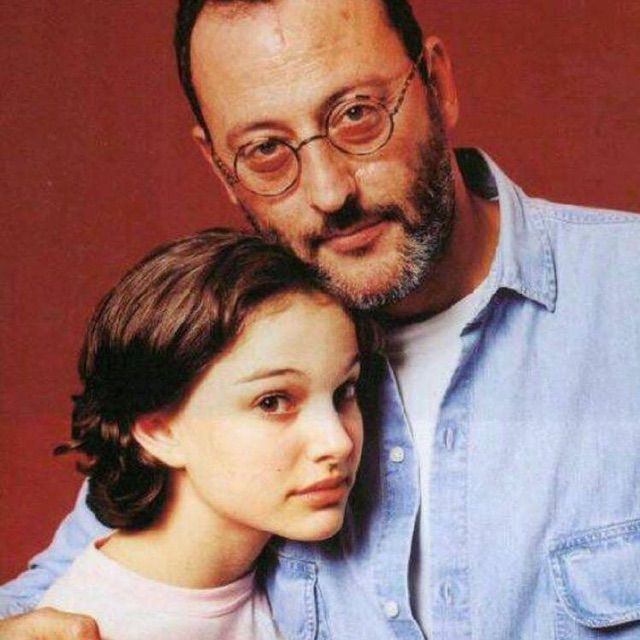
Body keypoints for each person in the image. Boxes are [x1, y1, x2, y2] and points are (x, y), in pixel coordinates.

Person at [2, 0, 640, 638]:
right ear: (220, 168)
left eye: (357, 115)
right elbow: (60, 601)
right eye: (265, 150)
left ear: (438, 84)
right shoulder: (234, 350)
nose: (331, 191)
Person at [27, 227, 375, 639]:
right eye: (272, 402)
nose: (338, 442)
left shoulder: (276, 588)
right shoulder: (99, 625)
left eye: (343, 391)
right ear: (159, 431)